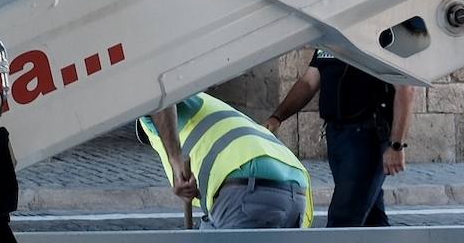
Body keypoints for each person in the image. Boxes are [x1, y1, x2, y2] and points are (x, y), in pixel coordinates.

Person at [266, 49, 417, 227]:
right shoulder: (330, 40)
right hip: (337, 136)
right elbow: (308, 82)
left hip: (366, 137)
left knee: (343, 219)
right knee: (371, 219)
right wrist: (277, 117)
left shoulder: (377, 37)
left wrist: (396, 145)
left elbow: (406, 89)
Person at [139, 92, 313, 229]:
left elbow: (156, 96)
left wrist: (175, 160)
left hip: (248, 186)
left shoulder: (154, 111)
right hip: (297, 187)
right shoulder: (207, 104)